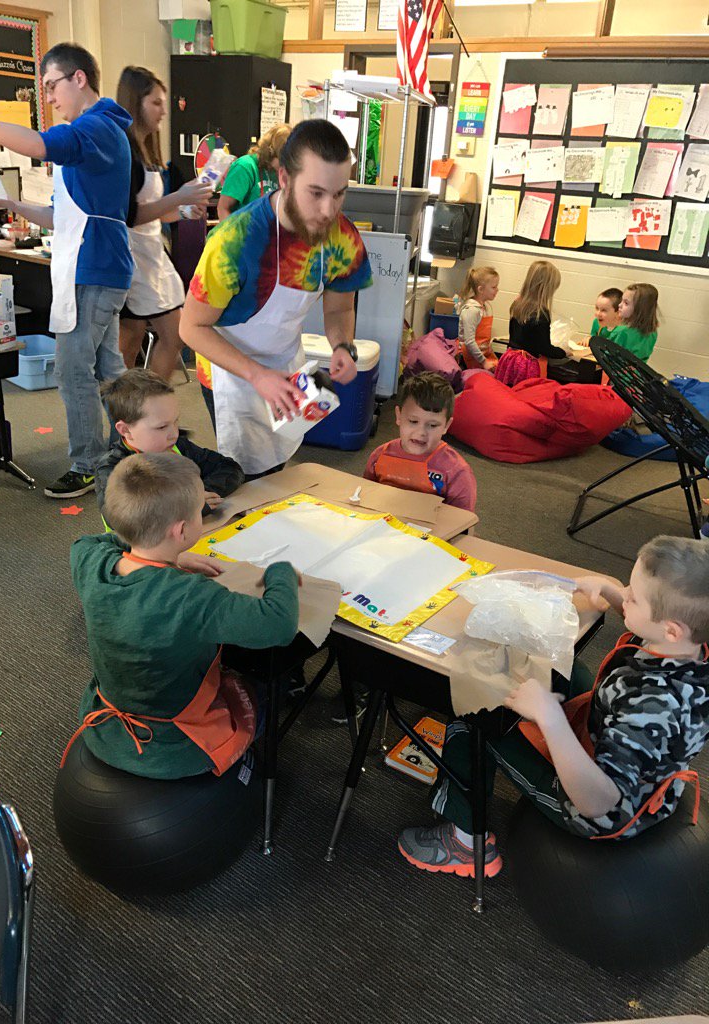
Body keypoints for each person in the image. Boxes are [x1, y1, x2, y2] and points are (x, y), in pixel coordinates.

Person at [398, 535, 709, 878]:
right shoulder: (688, 646)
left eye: (633, 596)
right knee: (556, 666)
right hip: (614, 738)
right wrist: (611, 592)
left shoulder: (652, 709)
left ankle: (464, 843)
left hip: (597, 808)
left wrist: (550, 719)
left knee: (478, 714)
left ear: (671, 630)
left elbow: (599, 802)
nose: (626, 595)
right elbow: (653, 624)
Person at [0, 43, 136, 500]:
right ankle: (132, 445)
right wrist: (7, 202)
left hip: (93, 266)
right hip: (96, 265)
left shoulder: (95, 127)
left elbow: (43, 144)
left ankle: (88, 463)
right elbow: (57, 214)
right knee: (109, 369)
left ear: (79, 78)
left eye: (51, 86)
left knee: (73, 371)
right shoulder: (97, 132)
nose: (48, 97)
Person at [65, 452, 300, 779]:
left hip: (103, 724)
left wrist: (166, 555)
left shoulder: (88, 560)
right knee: (271, 680)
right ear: (182, 530)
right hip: (174, 746)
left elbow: (93, 541)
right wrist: (281, 573)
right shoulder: (190, 596)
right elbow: (279, 624)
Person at [180, 118, 372, 478]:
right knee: (244, 477)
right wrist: (256, 375)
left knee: (279, 469)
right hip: (229, 371)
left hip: (285, 362)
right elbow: (190, 328)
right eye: (316, 193)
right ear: (284, 178)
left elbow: (340, 308)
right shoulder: (235, 241)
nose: (328, 210)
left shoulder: (342, 238)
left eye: (339, 194)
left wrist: (342, 346)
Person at [115, 66, 212, 378]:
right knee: (143, 340)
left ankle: (143, 404)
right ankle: (139, 404)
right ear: (136, 103)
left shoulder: (146, 152)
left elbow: (153, 213)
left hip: (152, 254)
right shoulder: (125, 152)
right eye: (156, 103)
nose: (163, 111)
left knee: (143, 339)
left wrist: (182, 211)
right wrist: (178, 198)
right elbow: (130, 216)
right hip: (133, 257)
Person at [95, 368, 244, 518]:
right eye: (161, 427)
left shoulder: (178, 446)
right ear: (125, 430)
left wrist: (200, 494)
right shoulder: (110, 470)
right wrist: (187, 504)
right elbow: (127, 519)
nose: (174, 434)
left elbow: (230, 468)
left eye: (175, 421)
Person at [364, 372, 476, 512]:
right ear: (399, 416)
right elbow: (365, 496)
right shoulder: (380, 455)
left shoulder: (456, 472)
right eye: (413, 421)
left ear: (446, 426)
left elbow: (462, 518)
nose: (421, 432)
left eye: (432, 425)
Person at [495, 260, 565, 387]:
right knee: (523, 394)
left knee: (505, 392)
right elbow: (544, 347)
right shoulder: (541, 313)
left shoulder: (518, 304)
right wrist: (563, 352)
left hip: (509, 358)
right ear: (547, 289)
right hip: (525, 365)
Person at [217, 123, 291, 220]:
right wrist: (232, 230)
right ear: (271, 152)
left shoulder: (277, 171)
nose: (286, 167)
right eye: (283, 161)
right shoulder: (245, 166)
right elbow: (223, 208)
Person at [456, 266, 499, 371]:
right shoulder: (471, 310)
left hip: (480, 353)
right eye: (494, 287)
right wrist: (484, 361)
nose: (497, 290)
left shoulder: (484, 307)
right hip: (467, 357)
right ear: (481, 289)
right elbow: (469, 342)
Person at [610, 283, 660, 361]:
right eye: (621, 300)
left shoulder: (622, 332)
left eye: (626, 303)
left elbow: (607, 354)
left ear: (639, 309)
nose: (620, 305)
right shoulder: (653, 332)